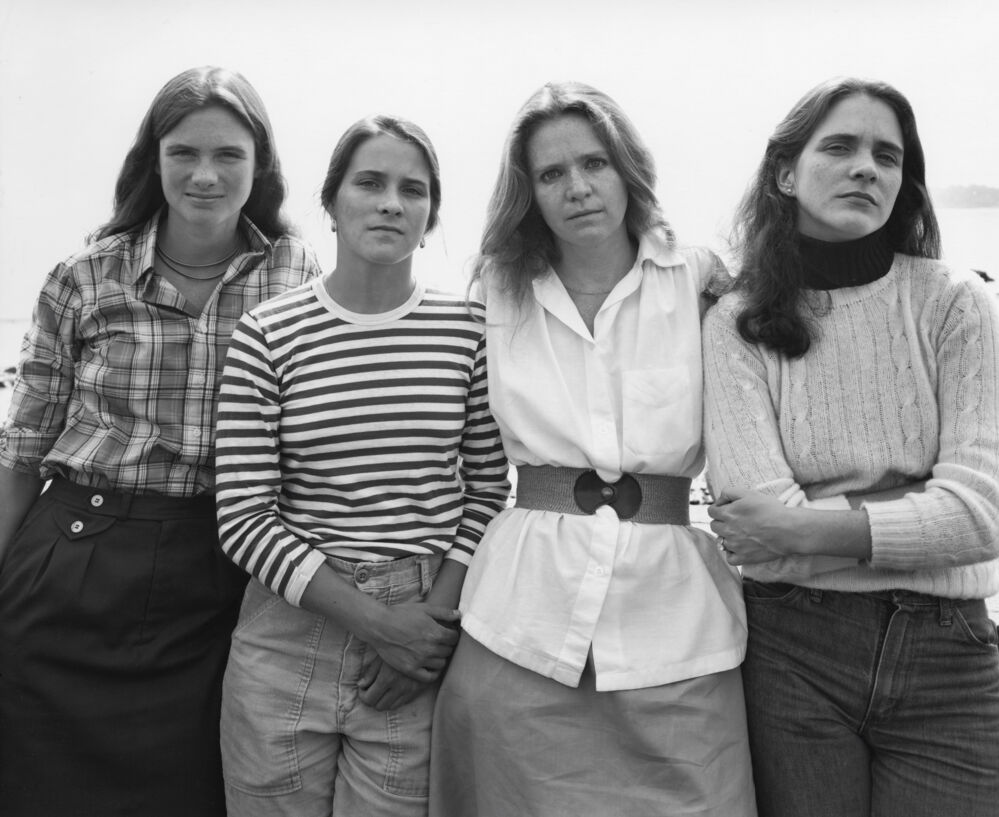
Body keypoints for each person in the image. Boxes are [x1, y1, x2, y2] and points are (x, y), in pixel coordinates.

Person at [429, 81, 756, 816]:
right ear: (530, 194)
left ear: (626, 170)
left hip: (675, 626)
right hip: (521, 621)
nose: (577, 187)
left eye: (594, 163)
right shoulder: (495, 294)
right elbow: (459, 451)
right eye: (551, 174)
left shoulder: (699, 280)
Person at [0, 66, 319, 816]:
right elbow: (22, 452)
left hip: (219, 571)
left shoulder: (298, 275)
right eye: (183, 153)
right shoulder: (82, 277)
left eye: (228, 155)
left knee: (197, 787)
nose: (204, 175)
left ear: (260, 166)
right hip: (75, 561)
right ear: (154, 158)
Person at [703, 77, 999, 817]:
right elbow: (755, 528)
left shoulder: (953, 302)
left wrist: (809, 523)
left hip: (948, 653)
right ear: (785, 172)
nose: (866, 168)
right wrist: (913, 505)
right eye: (840, 146)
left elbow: (983, 516)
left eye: (888, 155)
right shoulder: (738, 322)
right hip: (793, 648)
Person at [214, 114, 509, 817]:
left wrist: (428, 629)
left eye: (413, 190)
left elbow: (490, 490)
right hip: (290, 633)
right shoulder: (268, 333)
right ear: (332, 203)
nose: (390, 202)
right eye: (370, 182)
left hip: (421, 626)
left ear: (430, 215)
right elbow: (243, 516)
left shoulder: (467, 330)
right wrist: (380, 624)